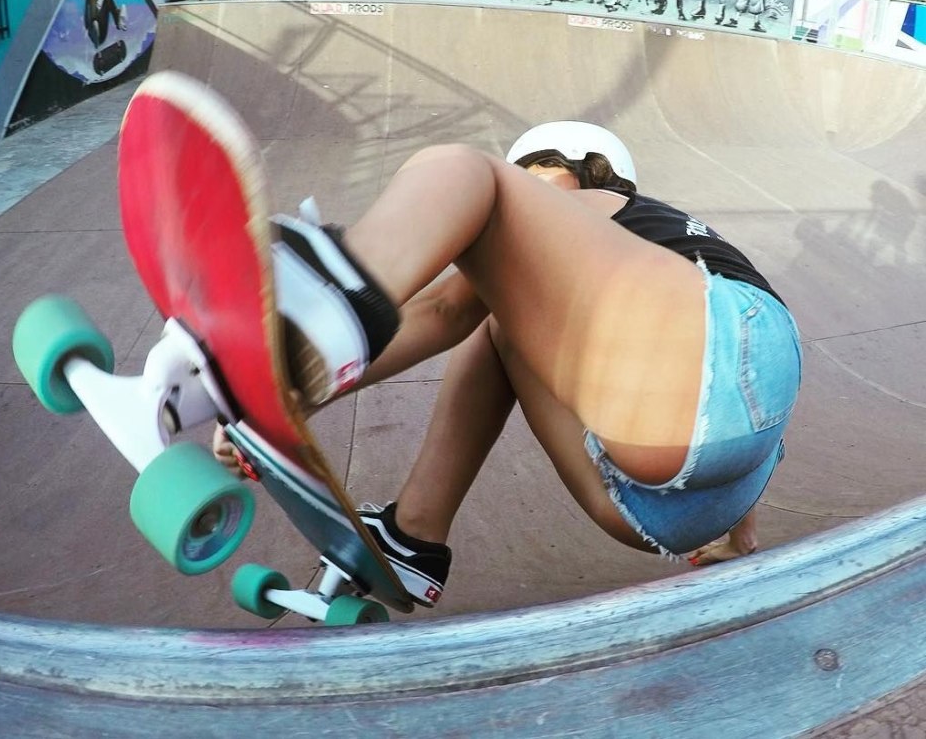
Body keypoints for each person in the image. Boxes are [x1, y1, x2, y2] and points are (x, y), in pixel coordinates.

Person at [213, 122, 802, 607]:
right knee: (499, 328)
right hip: (680, 506)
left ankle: (308, 324)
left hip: (701, 393)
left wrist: (277, 383)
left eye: (539, 175)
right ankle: (414, 536)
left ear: (585, 173)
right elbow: (747, 401)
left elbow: (442, 309)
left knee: (463, 169)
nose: (531, 195)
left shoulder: (604, 208)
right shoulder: (660, 275)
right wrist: (740, 538)